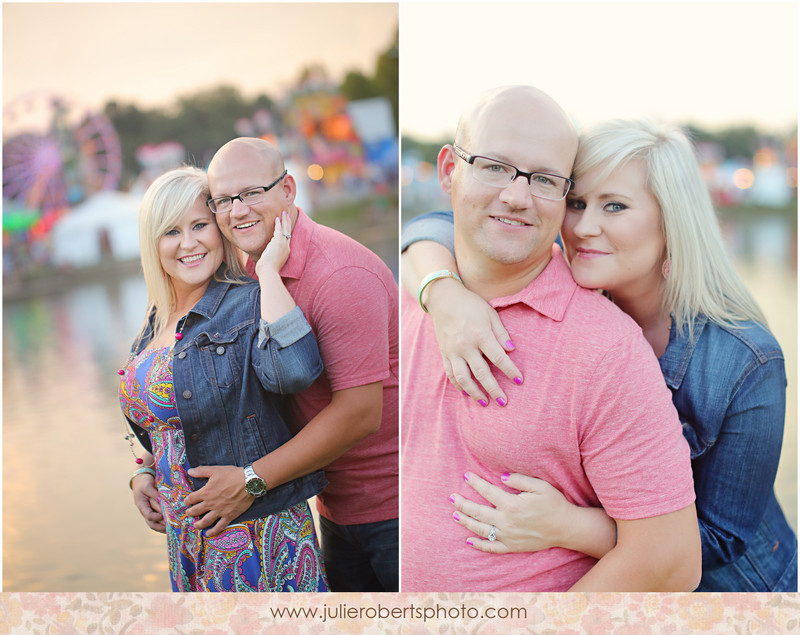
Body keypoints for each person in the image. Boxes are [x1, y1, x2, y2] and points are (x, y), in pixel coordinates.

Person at [403, 119, 797, 591]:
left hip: (735, 591)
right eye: (576, 203)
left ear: (672, 221)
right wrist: (442, 293)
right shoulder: (575, 288)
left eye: (614, 206)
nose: (585, 227)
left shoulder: (747, 361)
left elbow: (721, 538)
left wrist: (567, 525)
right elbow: (436, 225)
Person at [119, 166, 328, 592]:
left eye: (200, 225)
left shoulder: (248, 303)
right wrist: (142, 473)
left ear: (220, 229)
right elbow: (154, 422)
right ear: (152, 243)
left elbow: (296, 373)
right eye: (172, 231)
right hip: (188, 544)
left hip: (256, 534)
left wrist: (268, 272)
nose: (189, 243)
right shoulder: (155, 323)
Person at [204, 137, 399, 592]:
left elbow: (359, 413)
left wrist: (250, 482)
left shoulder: (339, 275)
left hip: (393, 509)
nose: (237, 211)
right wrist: (146, 466)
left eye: (252, 193)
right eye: (224, 200)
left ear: (288, 190)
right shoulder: (250, 268)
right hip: (328, 507)